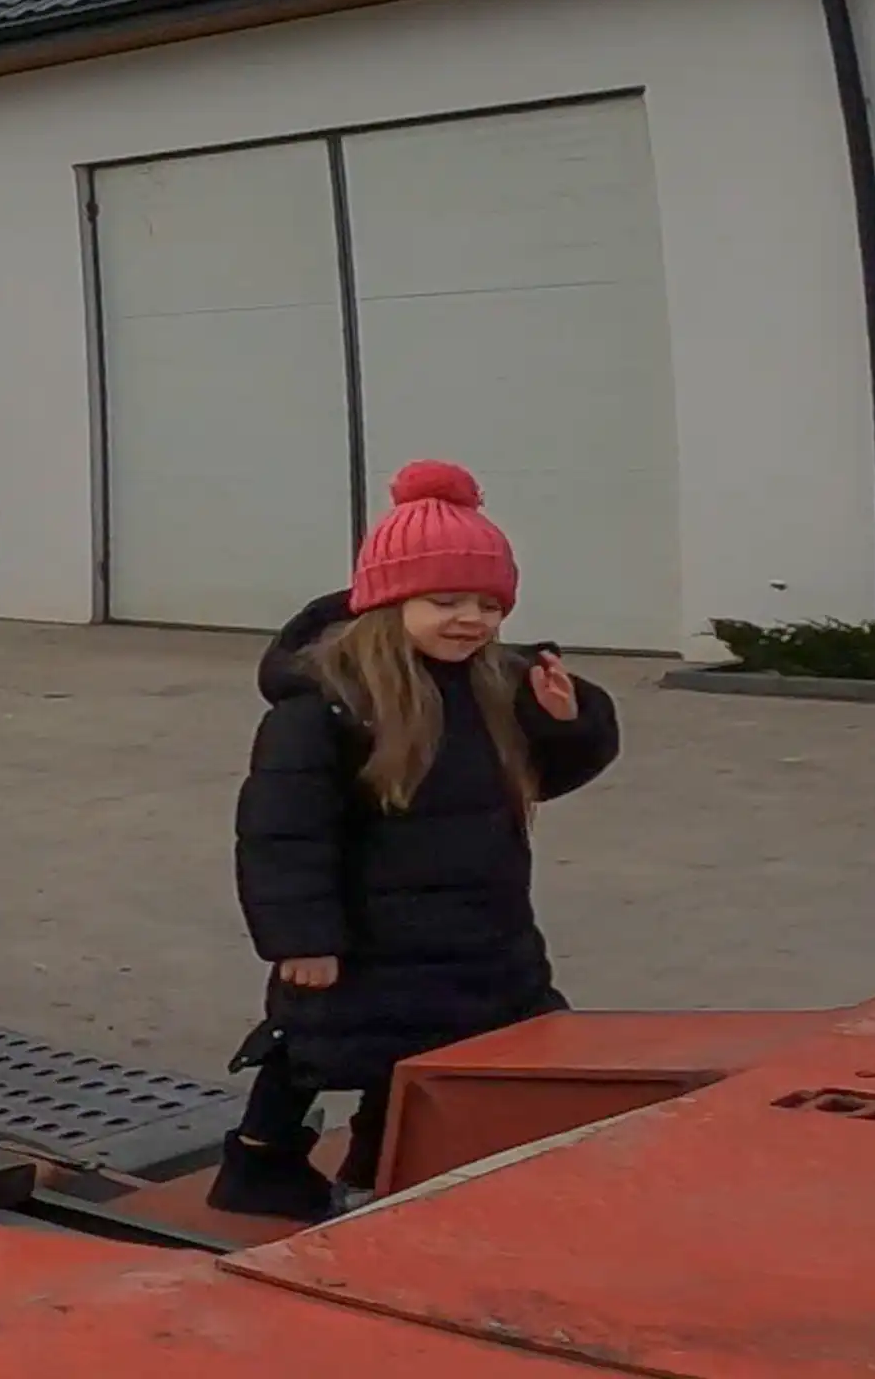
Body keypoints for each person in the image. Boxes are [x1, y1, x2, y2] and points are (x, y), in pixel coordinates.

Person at [214, 459, 621, 1221]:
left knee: (441, 1049)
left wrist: (567, 723)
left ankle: (380, 1167)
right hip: (368, 931)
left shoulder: (495, 683)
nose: (470, 620)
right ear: (388, 600)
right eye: (445, 602)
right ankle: (260, 1164)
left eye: (488, 605)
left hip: (479, 926)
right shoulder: (325, 706)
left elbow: (548, 776)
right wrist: (302, 937)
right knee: (317, 1045)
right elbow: (283, 829)